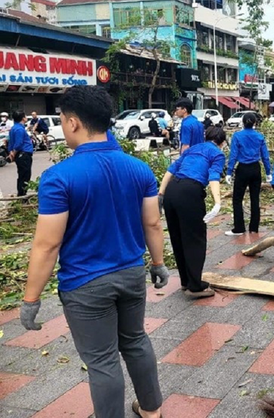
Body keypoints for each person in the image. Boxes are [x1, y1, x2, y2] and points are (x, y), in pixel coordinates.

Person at [19, 86, 169, 418]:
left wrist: (31, 299)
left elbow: (48, 245)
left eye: (61, 120)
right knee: (135, 342)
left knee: (101, 361)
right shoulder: (138, 168)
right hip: (132, 275)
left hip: (86, 285)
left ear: (73, 122)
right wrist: (158, 263)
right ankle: (151, 410)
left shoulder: (59, 178)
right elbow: (153, 224)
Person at [158, 126, 226, 298]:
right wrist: (218, 202)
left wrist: (160, 194)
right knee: (195, 238)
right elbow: (213, 177)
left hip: (172, 190)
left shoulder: (193, 148)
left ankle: (185, 281)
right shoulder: (217, 154)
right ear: (222, 143)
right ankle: (195, 286)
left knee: (178, 237)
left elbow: (171, 170)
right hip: (189, 192)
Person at [225, 112, 271, 236]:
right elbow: (265, 156)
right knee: (255, 198)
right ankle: (254, 228)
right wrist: (268, 172)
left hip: (243, 169)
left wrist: (229, 172)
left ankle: (239, 228)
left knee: (237, 199)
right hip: (256, 168)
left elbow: (233, 155)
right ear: (255, 123)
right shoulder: (260, 136)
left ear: (243, 122)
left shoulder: (237, 136)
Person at [8, 112, 33, 196]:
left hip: (20, 155)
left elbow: (11, 142)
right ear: (23, 118)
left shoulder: (14, 128)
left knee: (22, 175)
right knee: (25, 176)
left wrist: (11, 151)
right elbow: (18, 144)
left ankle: (21, 194)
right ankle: (22, 196)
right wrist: (14, 153)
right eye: (25, 116)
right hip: (23, 154)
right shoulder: (19, 129)